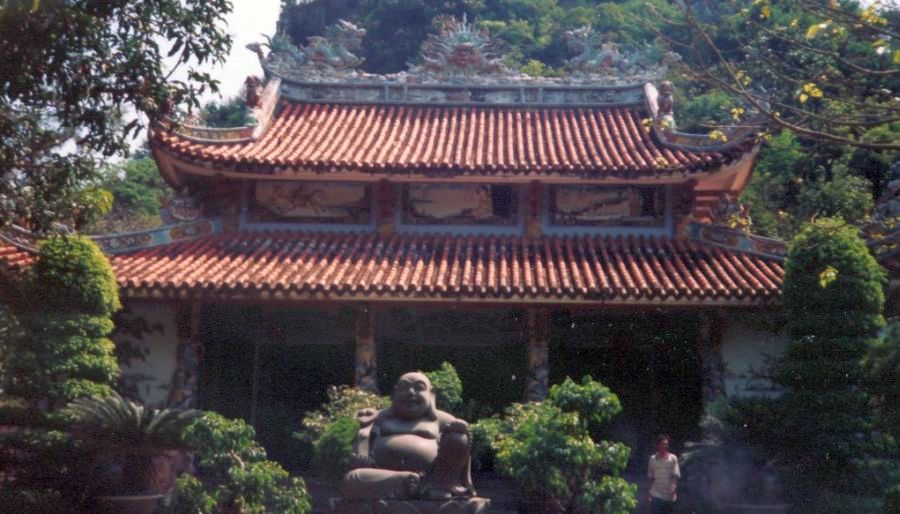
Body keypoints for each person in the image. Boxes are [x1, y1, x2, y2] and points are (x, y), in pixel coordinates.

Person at [647, 434, 680, 514]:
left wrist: (673, 487)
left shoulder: (673, 458)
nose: (664, 446)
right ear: (658, 445)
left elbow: (675, 475)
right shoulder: (652, 459)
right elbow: (651, 477)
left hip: (668, 495)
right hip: (656, 494)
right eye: (662, 444)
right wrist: (649, 493)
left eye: (666, 444)